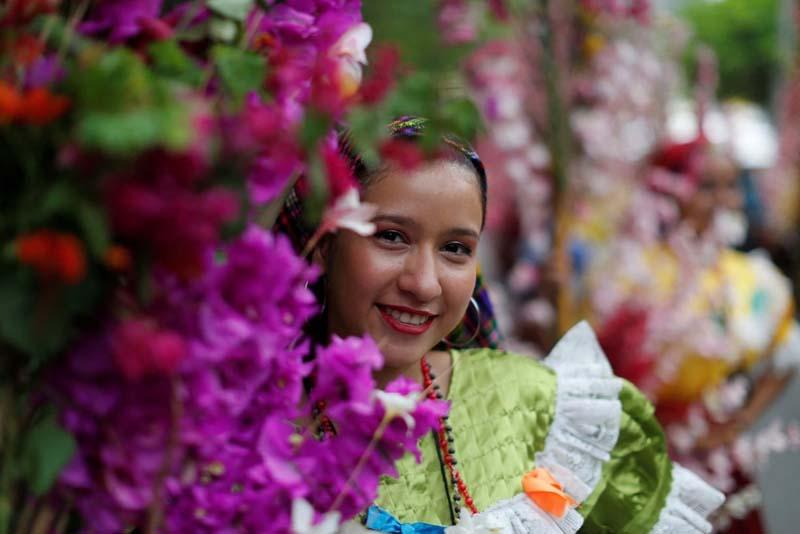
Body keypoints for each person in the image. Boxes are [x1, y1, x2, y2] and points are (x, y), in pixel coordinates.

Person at [276, 118, 724, 533]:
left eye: (455, 248)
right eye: (391, 236)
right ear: (323, 243)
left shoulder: (545, 413)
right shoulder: (250, 435)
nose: (424, 283)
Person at [590, 138, 800, 533]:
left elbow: (786, 355)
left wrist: (742, 420)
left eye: (730, 185)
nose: (722, 199)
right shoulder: (631, 271)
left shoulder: (749, 278)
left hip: (717, 460)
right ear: (669, 190)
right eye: (706, 186)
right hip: (641, 454)